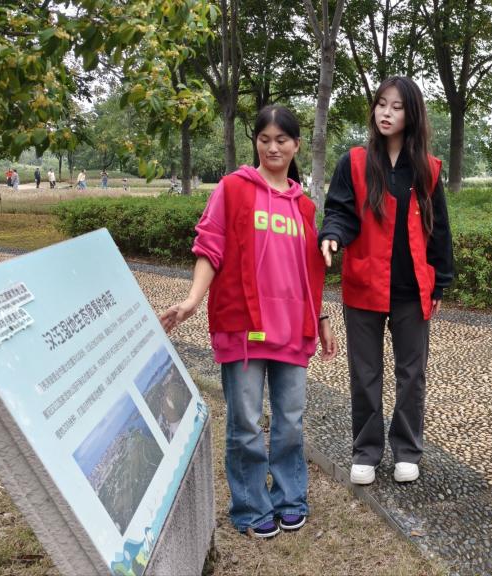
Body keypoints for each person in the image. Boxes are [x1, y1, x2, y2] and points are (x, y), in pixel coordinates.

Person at [160, 104, 336, 539]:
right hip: (243, 328)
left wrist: (321, 317)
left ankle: (290, 499)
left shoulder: (305, 207)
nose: (273, 148)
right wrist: (192, 299)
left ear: (297, 145)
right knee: (246, 424)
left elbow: (308, 272)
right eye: (264, 139)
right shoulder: (233, 189)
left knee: (290, 421)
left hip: (292, 330)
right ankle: (252, 506)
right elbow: (210, 247)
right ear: (255, 142)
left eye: (282, 140)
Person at [319, 76, 454, 486]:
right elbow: (339, 211)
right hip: (364, 283)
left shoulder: (427, 169)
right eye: (381, 104)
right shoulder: (354, 162)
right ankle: (366, 450)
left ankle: (407, 450)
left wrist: (440, 281)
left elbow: (439, 228)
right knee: (365, 373)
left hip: (412, 288)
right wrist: (332, 235)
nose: (386, 113)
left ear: (411, 114)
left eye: (396, 107)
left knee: (412, 374)